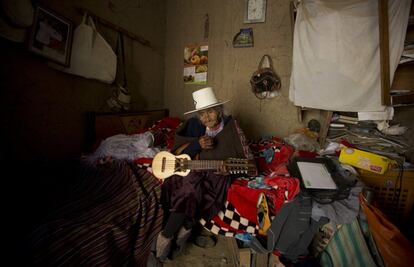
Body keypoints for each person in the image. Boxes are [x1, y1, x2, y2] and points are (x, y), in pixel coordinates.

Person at [155, 87, 255, 261]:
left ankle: (180, 239)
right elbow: (177, 155)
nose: (206, 118)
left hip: (218, 174)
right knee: (189, 190)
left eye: (210, 112)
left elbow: (248, 161)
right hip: (195, 169)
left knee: (208, 196)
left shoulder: (232, 128)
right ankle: (165, 241)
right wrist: (197, 145)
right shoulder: (194, 125)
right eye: (202, 114)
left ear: (219, 111)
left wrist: (229, 172)